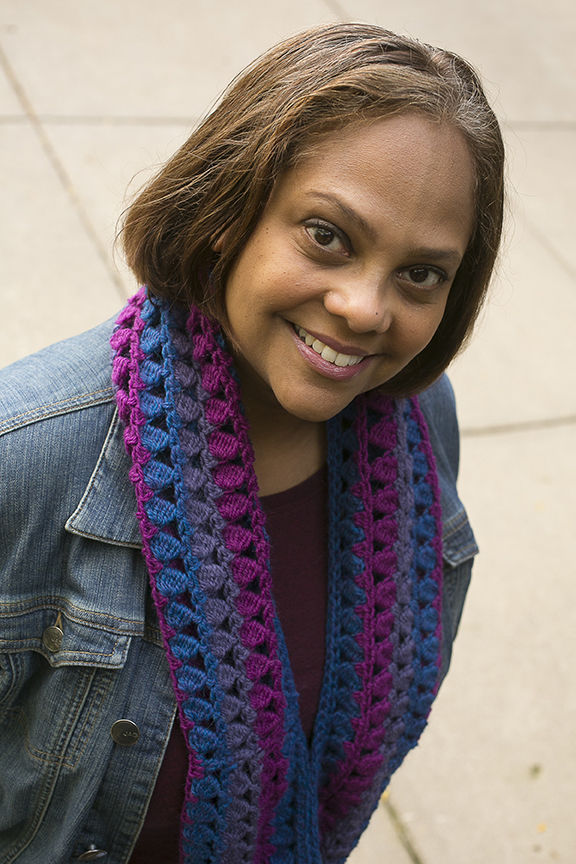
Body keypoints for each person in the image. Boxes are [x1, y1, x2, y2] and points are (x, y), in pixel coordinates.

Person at [0, 22, 504, 864]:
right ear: (228, 213)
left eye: (420, 273)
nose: (365, 308)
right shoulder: (30, 461)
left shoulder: (422, 428)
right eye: (328, 235)